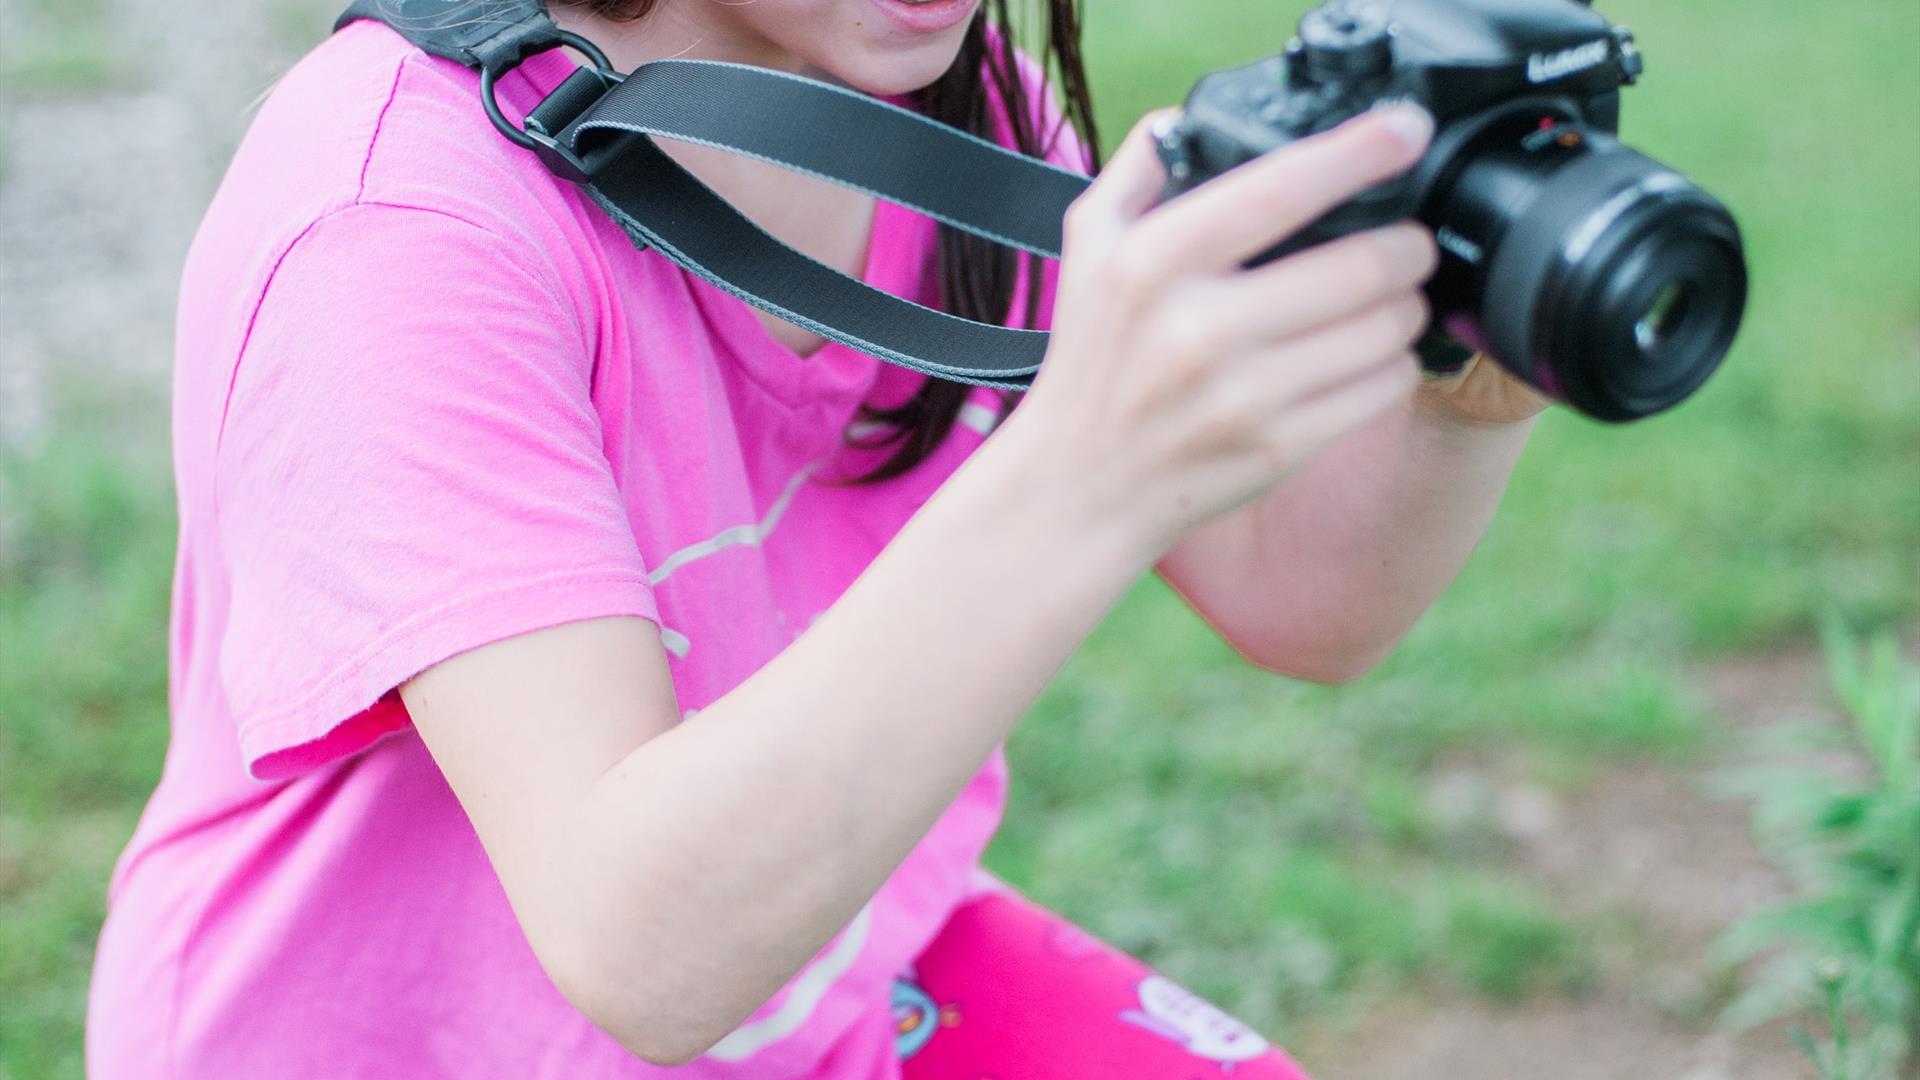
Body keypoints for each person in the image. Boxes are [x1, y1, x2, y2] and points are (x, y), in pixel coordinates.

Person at [86, 0, 1549, 1075]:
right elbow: (638, 952)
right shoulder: (398, 222)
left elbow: (1299, 600)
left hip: (829, 1001)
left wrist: (1483, 348)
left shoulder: (954, 107)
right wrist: (1088, 462)